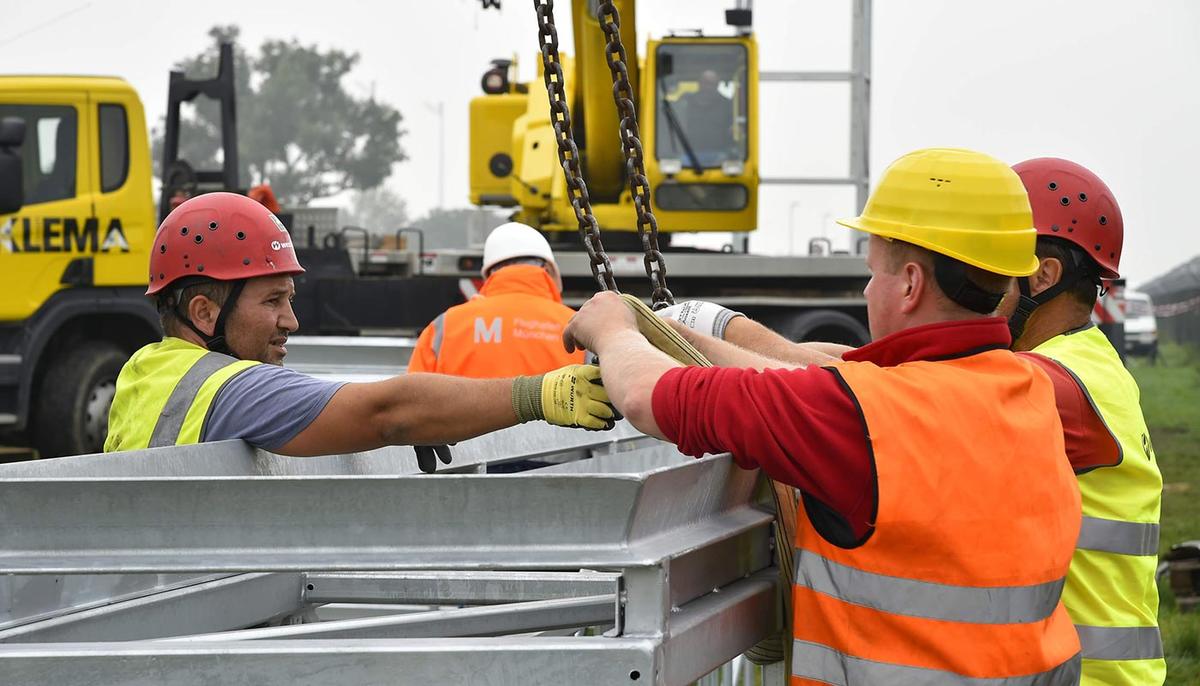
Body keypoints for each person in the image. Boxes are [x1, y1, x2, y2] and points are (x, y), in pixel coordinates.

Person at [564, 148, 1083, 684]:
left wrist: (612, 328)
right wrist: (684, 332)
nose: (867, 290)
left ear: (910, 284)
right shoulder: (1029, 388)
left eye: (871, 273)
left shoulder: (864, 415)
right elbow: (823, 372)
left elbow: (647, 395)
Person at [104, 193, 615, 471]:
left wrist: (424, 418)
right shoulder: (228, 389)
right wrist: (541, 394)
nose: (291, 321)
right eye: (272, 301)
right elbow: (386, 412)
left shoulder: (147, 370)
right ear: (205, 313)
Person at [1005, 158, 1164, 685]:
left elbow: (891, 394)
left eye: (991, 261)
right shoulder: (1086, 361)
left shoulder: (1048, 383)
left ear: (1042, 275)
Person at [409, 222, 583, 377]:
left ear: (489, 274)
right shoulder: (577, 329)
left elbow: (410, 398)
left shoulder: (445, 328)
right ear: (549, 270)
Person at [679, 69, 734, 165]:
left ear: (717, 85)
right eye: (705, 82)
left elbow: (733, 128)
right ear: (699, 83)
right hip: (689, 153)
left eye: (712, 83)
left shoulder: (727, 105)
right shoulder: (686, 101)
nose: (708, 86)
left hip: (719, 153)